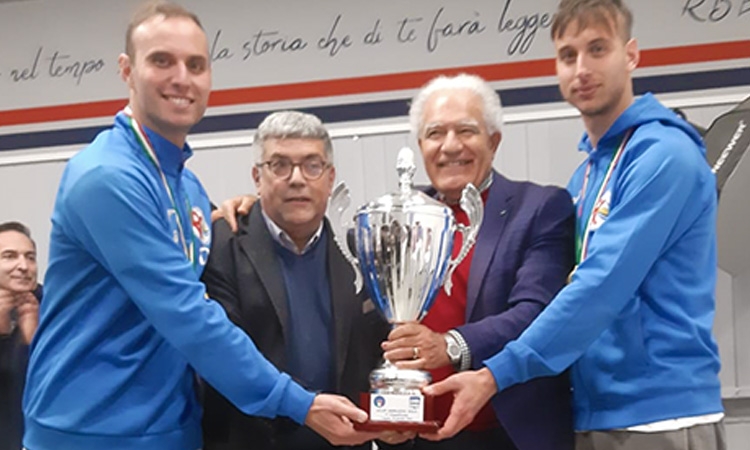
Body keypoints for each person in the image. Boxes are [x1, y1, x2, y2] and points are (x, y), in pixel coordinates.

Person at [22, 3, 379, 450]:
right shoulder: (106, 176)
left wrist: (253, 208)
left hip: (172, 425)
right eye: (161, 61)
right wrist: (297, 401)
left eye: (195, 64)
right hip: (89, 430)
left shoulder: (186, 186)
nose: (181, 78)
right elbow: (188, 314)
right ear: (127, 71)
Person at [424, 1, 726, 450]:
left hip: (660, 415)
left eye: (597, 49)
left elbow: (599, 287)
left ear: (631, 55)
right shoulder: (586, 175)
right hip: (593, 411)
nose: (582, 68)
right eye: (568, 55)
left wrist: (494, 373)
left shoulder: (665, 156)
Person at [379, 74, 576, 450]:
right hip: (417, 435)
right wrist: (255, 210)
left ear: (493, 141)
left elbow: (537, 310)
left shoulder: (539, 208)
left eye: (466, 131)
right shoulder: (396, 217)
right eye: (435, 133)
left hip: (508, 433)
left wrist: (450, 345)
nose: (450, 146)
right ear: (421, 146)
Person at [200, 111, 392, 450]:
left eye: (312, 165)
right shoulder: (220, 248)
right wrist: (305, 406)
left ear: (330, 178)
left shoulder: (359, 257)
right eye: (280, 165)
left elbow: (379, 356)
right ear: (257, 177)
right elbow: (223, 359)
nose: (297, 179)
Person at [0, 221, 41, 450]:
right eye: (9, 256)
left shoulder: (50, 304)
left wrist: (31, 340)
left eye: (30, 257)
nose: (23, 266)